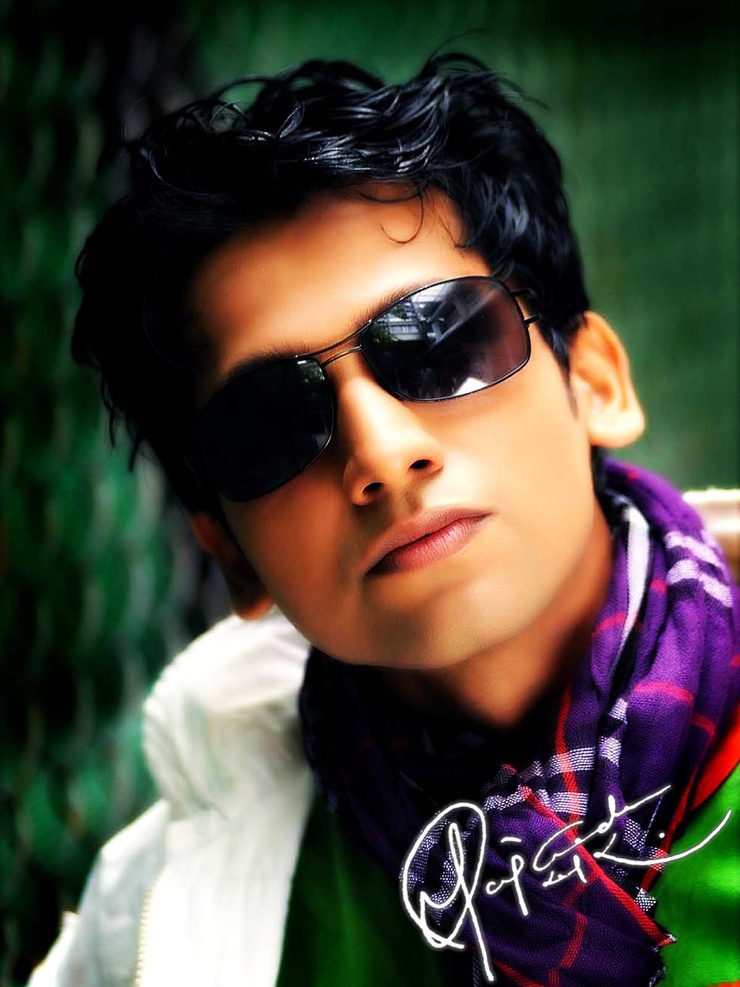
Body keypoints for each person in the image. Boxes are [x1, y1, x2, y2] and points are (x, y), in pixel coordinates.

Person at [28, 53, 739, 986]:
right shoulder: (157, 915)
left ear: (596, 383)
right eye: (271, 425)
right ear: (227, 549)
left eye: (442, 341)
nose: (381, 451)